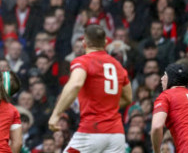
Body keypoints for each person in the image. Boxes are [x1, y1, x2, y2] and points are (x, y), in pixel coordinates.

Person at [48, 24, 132, 153]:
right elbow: (128, 98)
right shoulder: (118, 66)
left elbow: (75, 84)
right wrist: (106, 106)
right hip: (117, 135)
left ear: (84, 42)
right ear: (105, 43)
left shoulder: (82, 61)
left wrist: (56, 114)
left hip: (92, 131)